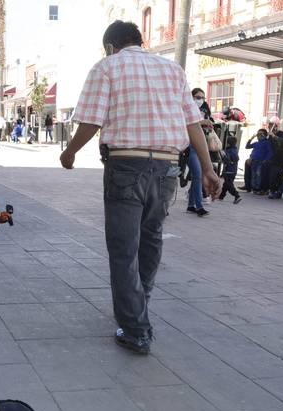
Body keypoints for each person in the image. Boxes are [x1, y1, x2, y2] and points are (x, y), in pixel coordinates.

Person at [59, 20, 219, 355]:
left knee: (123, 248)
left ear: (110, 46)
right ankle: (137, 306)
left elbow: (91, 120)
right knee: (150, 239)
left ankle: (135, 329)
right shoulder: (173, 70)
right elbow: (193, 123)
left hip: (125, 166)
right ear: (139, 41)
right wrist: (207, 168)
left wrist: (70, 151)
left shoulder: (107, 67)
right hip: (166, 168)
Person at [185, 88, 213, 216]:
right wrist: (202, 122)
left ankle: (191, 205)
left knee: (197, 175)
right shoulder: (185, 108)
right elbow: (187, 123)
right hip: (188, 146)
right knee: (198, 175)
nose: (200, 100)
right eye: (197, 97)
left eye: (202, 97)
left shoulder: (204, 110)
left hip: (199, 146)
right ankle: (198, 206)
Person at [243, 128, 273, 194]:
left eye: (260, 134)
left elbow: (270, 152)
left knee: (258, 174)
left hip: (260, 161)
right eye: (258, 134)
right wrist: (251, 138)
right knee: (254, 174)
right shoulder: (257, 143)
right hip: (253, 161)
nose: (258, 136)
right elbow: (247, 146)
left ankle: (258, 188)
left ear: (264, 135)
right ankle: (254, 188)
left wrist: (265, 160)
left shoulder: (267, 143)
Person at [219, 136, 242, 204]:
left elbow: (227, 159)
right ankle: (221, 196)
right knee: (226, 184)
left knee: (229, 184)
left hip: (229, 170)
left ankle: (237, 195)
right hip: (233, 170)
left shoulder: (229, 151)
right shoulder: (234, 150)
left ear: (228, 143)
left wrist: (223, 155)